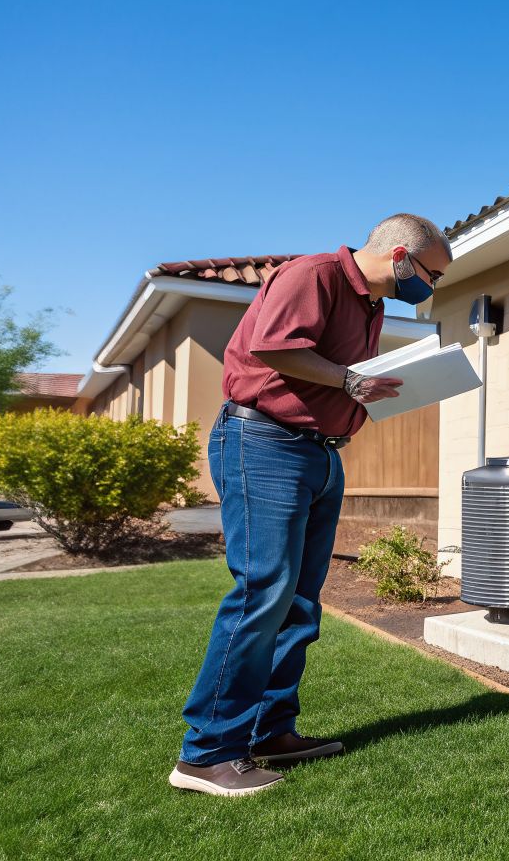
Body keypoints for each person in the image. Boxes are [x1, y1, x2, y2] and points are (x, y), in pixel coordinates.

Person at [170, 214, 453, 797]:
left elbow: (337, 377)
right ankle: (205, 754)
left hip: (318, 453)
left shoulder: (372, 307)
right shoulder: (314, 275)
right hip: (263, 441)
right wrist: (349, 383)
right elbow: (273, 347)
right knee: (263, 590)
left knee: (299, 598)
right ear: (400, 256)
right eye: (432, 273)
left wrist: (352, 403)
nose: (433, 287)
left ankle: (271, 731)